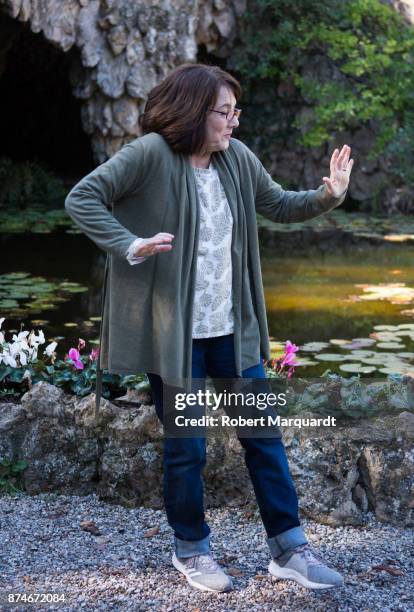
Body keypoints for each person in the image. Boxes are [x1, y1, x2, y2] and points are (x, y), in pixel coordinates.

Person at [65, 63, 354, 593]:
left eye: (234, 112)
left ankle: (290, 549)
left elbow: (278, 204)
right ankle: (192, 550)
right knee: (188, 446)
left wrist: (327, 194)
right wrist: (129, 244)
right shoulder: (150, 154)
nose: (233, 124)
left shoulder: (236, 160)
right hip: (175, 335)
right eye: (225, 112)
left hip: (231, 329)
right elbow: (83, 197)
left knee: (264, 437)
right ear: (194, 112)